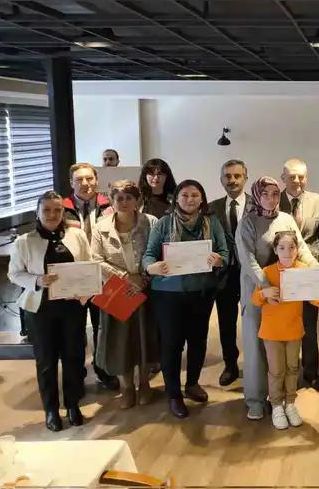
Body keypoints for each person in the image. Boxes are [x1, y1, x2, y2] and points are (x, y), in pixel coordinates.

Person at [142, 180, 229, 419]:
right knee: (171, 344)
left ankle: (192, 384)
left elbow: (225, 253)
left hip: (201, 293)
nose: (190, 200)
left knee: (198, 342)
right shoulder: (163, 223)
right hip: (168, 294)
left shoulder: (212, 223)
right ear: (176, 198)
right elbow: (149, 254)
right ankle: (174, 394)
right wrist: (151, 267)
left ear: (202, 199)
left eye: (195, 195)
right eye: (185, 195)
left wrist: (218, 260)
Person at [237, 176, 319, 421]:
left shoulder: (285, 219)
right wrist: (266, 287)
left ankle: (283, 400)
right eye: (265, 194)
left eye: (275, 194)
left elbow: (300, 247)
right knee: (256, 346)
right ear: (256, 195)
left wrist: (315, 268)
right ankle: (255, 399)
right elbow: (248, 259)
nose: (271, 198)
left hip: (287, 291)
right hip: (259, 289)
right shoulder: (247, 222)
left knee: (282, 348)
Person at [8, 191, 91, 432]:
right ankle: (51, 409)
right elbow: (14, 274)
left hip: (72, 306)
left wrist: (86, 287)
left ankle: (73, 405)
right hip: (41, 308)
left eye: (57, 210)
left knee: (74, 357)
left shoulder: (77, 235)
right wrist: (37, 280)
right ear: (37, 212)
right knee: (46, 361)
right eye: (46, 210)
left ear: (63, 212)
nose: (52, 214)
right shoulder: (24, 241)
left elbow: (89, 264)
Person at [90, 181, 159, 409]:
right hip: (117, 290)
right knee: (121, 342)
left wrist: (143, 279)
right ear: (111, 200)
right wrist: (125, 277)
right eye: (119, 198)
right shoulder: (100, 227)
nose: (124, 202)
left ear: (137, 200)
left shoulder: (151, 222)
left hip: (147, 288)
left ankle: (145, 384)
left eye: (129, 197)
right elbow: (96, 259)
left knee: (145, 338)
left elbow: (159, 252)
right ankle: (127, 387)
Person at [252, 231, 319, 430]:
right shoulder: (267, 272)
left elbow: (311, 295)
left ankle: (290, 403)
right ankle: (276, 404)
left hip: (294, 329)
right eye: (282, 248)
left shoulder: (303, 270)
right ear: (275, 250)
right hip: (272, 332)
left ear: (297, 250)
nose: (287, 252)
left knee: (293, 368)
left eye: (292, 247)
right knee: (277, 370)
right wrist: (264, 293)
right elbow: (255, 299)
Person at [63, 162, 118, 392]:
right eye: (79, 179)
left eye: (89, 178)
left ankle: (104, 370)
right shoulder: (61, 209)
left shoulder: (111, 207)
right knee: (74, 330)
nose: (85, 183)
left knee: (103, 328)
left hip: (103, 277)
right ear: (71, 183)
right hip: (73, 279)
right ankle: (76, 374)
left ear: (97, 181)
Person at [279, 159, 319, 392]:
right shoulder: (273, 200)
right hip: (284, 272)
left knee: (309, 325)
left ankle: (311, 372)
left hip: (309, 271)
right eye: (291, 176)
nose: (297, 181)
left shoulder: (318, 201)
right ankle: (285, 372)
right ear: (283, 178)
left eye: (301, 176)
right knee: (284, 324)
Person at [208, 159, 252, 387]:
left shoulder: (258, 205)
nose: (232, 180)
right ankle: (230, 365)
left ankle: (256, 364)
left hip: (252, 274)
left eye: (237, 176)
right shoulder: (211, 208)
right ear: (221, 180)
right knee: (226, 323)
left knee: (254, 320)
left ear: (245, 178)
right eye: (228, 176)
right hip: (224, 275)